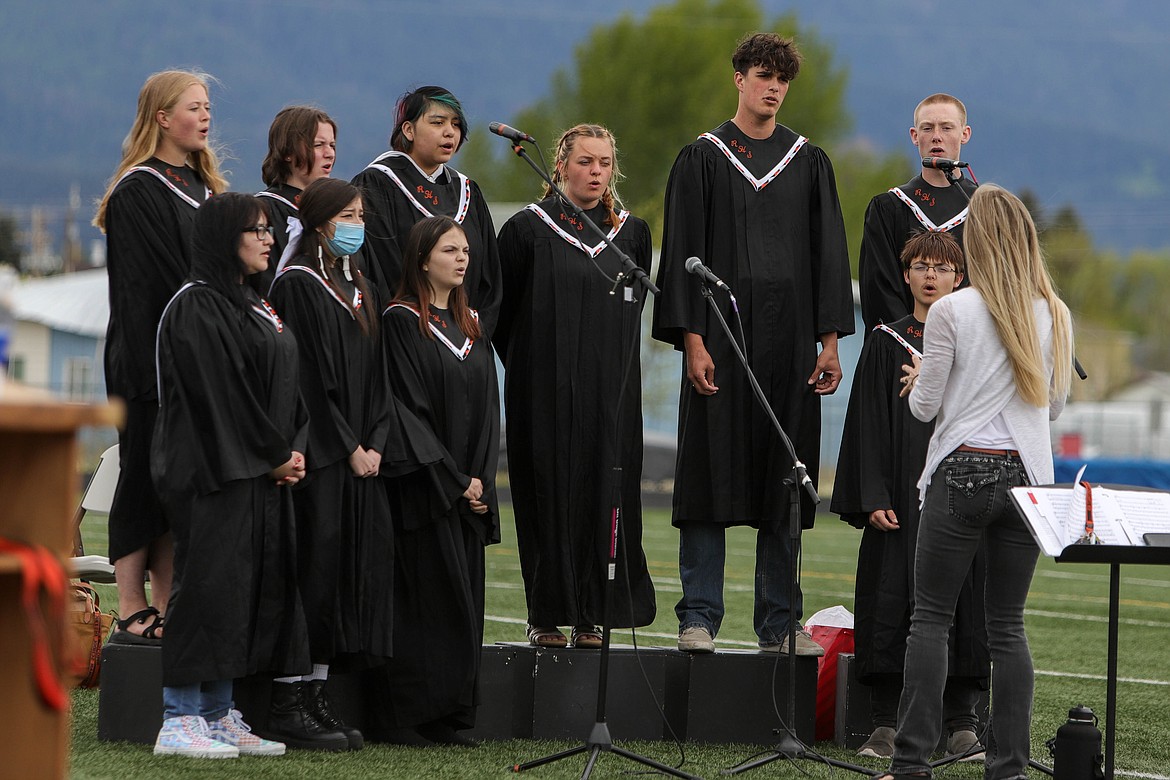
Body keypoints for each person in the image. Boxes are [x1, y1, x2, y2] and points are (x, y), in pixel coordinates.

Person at [651, 32, 853, 656]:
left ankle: (778, 624)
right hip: (720, 344)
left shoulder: (808, 162)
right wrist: (692, 340)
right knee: (709, 478)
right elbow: (682, 250)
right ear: (738, 77)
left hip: (790, 348)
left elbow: (827, 258)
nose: (772, 87)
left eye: (782, 79)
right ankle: (700, 618)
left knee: (784, 483)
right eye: (762, 75)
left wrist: (828, 343)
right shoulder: (702, 159)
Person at [878, 184, 1073, 780]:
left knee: (931, 619)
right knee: (1008, 627)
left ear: (976, 240)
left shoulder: (952, 310)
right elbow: (1055, 407)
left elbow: (923, 408)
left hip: (961, 471)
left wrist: (919, 381)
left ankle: (911, 764)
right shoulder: (1055, 312)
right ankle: (1008, 766)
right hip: (1027, 482)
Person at [151, 192, 311, 758]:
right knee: (207, 589)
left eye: (270, 230)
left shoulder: (252, 302)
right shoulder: (197, 305)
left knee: (241, 594)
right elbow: (221, 394)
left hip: (259, 472)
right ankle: (178, 718)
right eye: (256, 230)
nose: (269, 239)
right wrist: (273, 453)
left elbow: (289, 386)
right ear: (225, 238)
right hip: (211, 470)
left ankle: (218, 712)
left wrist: (293, 448)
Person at [496, 124, 656, 649]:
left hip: (611, 392)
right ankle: (545, 613)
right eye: (585, 162)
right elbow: (503, 316)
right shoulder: (525, 230)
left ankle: (594, 613)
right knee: (548, 491)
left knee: (604, 491)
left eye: (605, 163)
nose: (595, 172)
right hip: (543, 391)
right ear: (560, 166)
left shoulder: (632, 235)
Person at [832, 231, 988, 762]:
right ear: (905, 275)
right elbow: (867, 425)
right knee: (890, 596)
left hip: (962, 486)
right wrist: (871, 493)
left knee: (967, 599)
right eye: (919, 266)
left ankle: (962, 721)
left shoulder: (979, 339)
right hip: (900, 491)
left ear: (959, 277)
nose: (929, 275)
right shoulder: (885, 340)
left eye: (940, 268)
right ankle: (884, 723)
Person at [93, 69, 228, 646]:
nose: (204, 116)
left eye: (206, 107)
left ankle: (171, 600)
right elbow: (152, 288)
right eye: (192, 107)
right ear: (161, 118)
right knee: (143, 478)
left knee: (179, 483)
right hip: (149, 359)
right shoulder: (138, 189)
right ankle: (129, 604)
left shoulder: (207, 190)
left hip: (201, 360)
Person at [266, 177, 391, 751]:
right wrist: (347, 445)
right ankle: (289, 699)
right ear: (318, 221)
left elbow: (378, 374)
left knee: (339, 575)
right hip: (320, 455)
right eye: (346, 213)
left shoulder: (360, 283)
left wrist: (377, 439)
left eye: (361, 213)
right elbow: (309, 380)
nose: (356, 223)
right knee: (310, 571)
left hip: (361, 455)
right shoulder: (297, 285)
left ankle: (319, 696)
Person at [374, 215, 500, 745]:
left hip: (465, 489)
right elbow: (407, 409)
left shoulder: (470, 323)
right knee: (424, 601)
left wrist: (480, 481)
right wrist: (451, 479)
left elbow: (489, 408)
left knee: (462, 603)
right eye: (450, 250)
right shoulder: (403, 321)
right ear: (423, 258)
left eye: (465, 250)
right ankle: (410, 716)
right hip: (425, 489)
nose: (462, 258)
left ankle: (451, 713)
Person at [351, 85, 502, 337]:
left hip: (467, 339)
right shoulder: (378, 185)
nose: (449, 132)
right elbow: (381, 271)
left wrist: (475, 334)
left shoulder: (467, 192)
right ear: (408, 130)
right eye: (437, 122)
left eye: (455, 124)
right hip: (406, 336)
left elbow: (489, 278)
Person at [859, 93, 976, 333]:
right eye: (927, 128)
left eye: (946, 127)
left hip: (970, 348)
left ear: (965, 134)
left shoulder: (985, 211)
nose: (936, 136)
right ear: (915, 136)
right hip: (903, 351)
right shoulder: (890, 208)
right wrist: (912, 342)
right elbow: (879, 288)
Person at [255, 106, 338, 293]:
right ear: (287, 153)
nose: (330, 153)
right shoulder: (265, 210)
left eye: (332, 145)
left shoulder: (336, 211)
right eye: (318, 145)